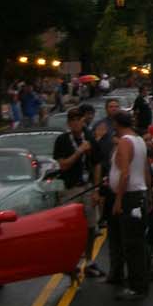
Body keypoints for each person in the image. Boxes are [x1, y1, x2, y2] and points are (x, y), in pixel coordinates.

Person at [55, 107, 105, 279]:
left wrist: (97, 188)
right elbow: (63, 165)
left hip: (88, 187)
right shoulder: (62, 140)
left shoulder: (90, 138)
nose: (77, 124)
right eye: (73, 121)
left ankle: (90, 261)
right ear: (69, 124)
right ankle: (72, 262)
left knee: (91, 226)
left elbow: (98, 163)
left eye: (79, 120)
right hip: (71, 189)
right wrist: (79, 151)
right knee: (71, 228)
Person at [107, 110, 151, 300]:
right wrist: (149, 194)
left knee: (132, 244)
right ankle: (141, 280)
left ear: (116, 124)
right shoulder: (139, 140)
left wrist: (118, 199)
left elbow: (125, 173)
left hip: (129, 197)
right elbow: (145, 169)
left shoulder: (125, 142)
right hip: (139, 194)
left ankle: (136, 286)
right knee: (138, 241)